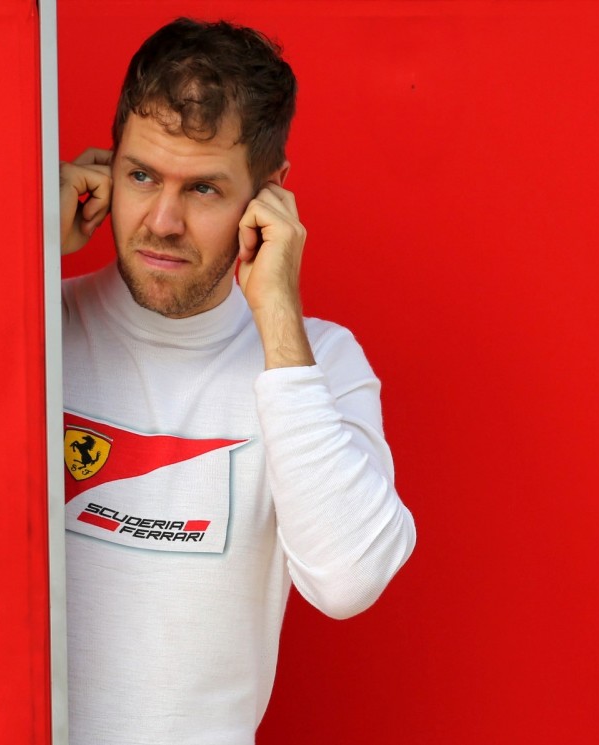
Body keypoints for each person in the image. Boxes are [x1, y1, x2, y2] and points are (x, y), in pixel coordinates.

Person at [58, 18, 416, 744]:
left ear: (267, 197)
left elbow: (348, 579)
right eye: (141, 176)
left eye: (204, 189)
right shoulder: (35, 330)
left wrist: (277, 315)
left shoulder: (316, 364)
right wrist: (16, 258)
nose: (162, 221)